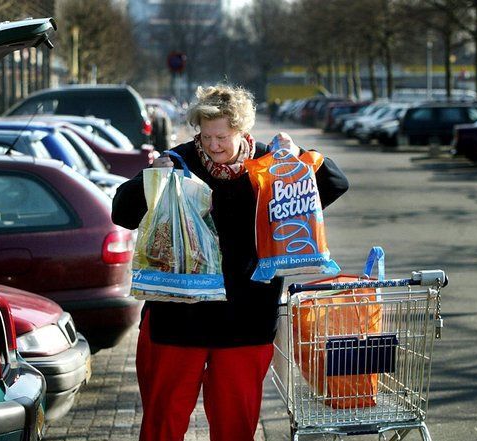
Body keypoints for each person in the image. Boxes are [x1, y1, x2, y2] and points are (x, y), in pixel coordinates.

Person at [111, 84, 349, 441]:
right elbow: (122, 213)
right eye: (205, 136)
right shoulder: (179, 161)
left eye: (222, 137)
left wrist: (301, 154)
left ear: (243, 131)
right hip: (177, 319)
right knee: (162, 424)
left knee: (235, 428)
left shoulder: (272, 165)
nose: (213, 145)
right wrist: (149, 179)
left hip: (246, 321)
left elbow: (334, 183)